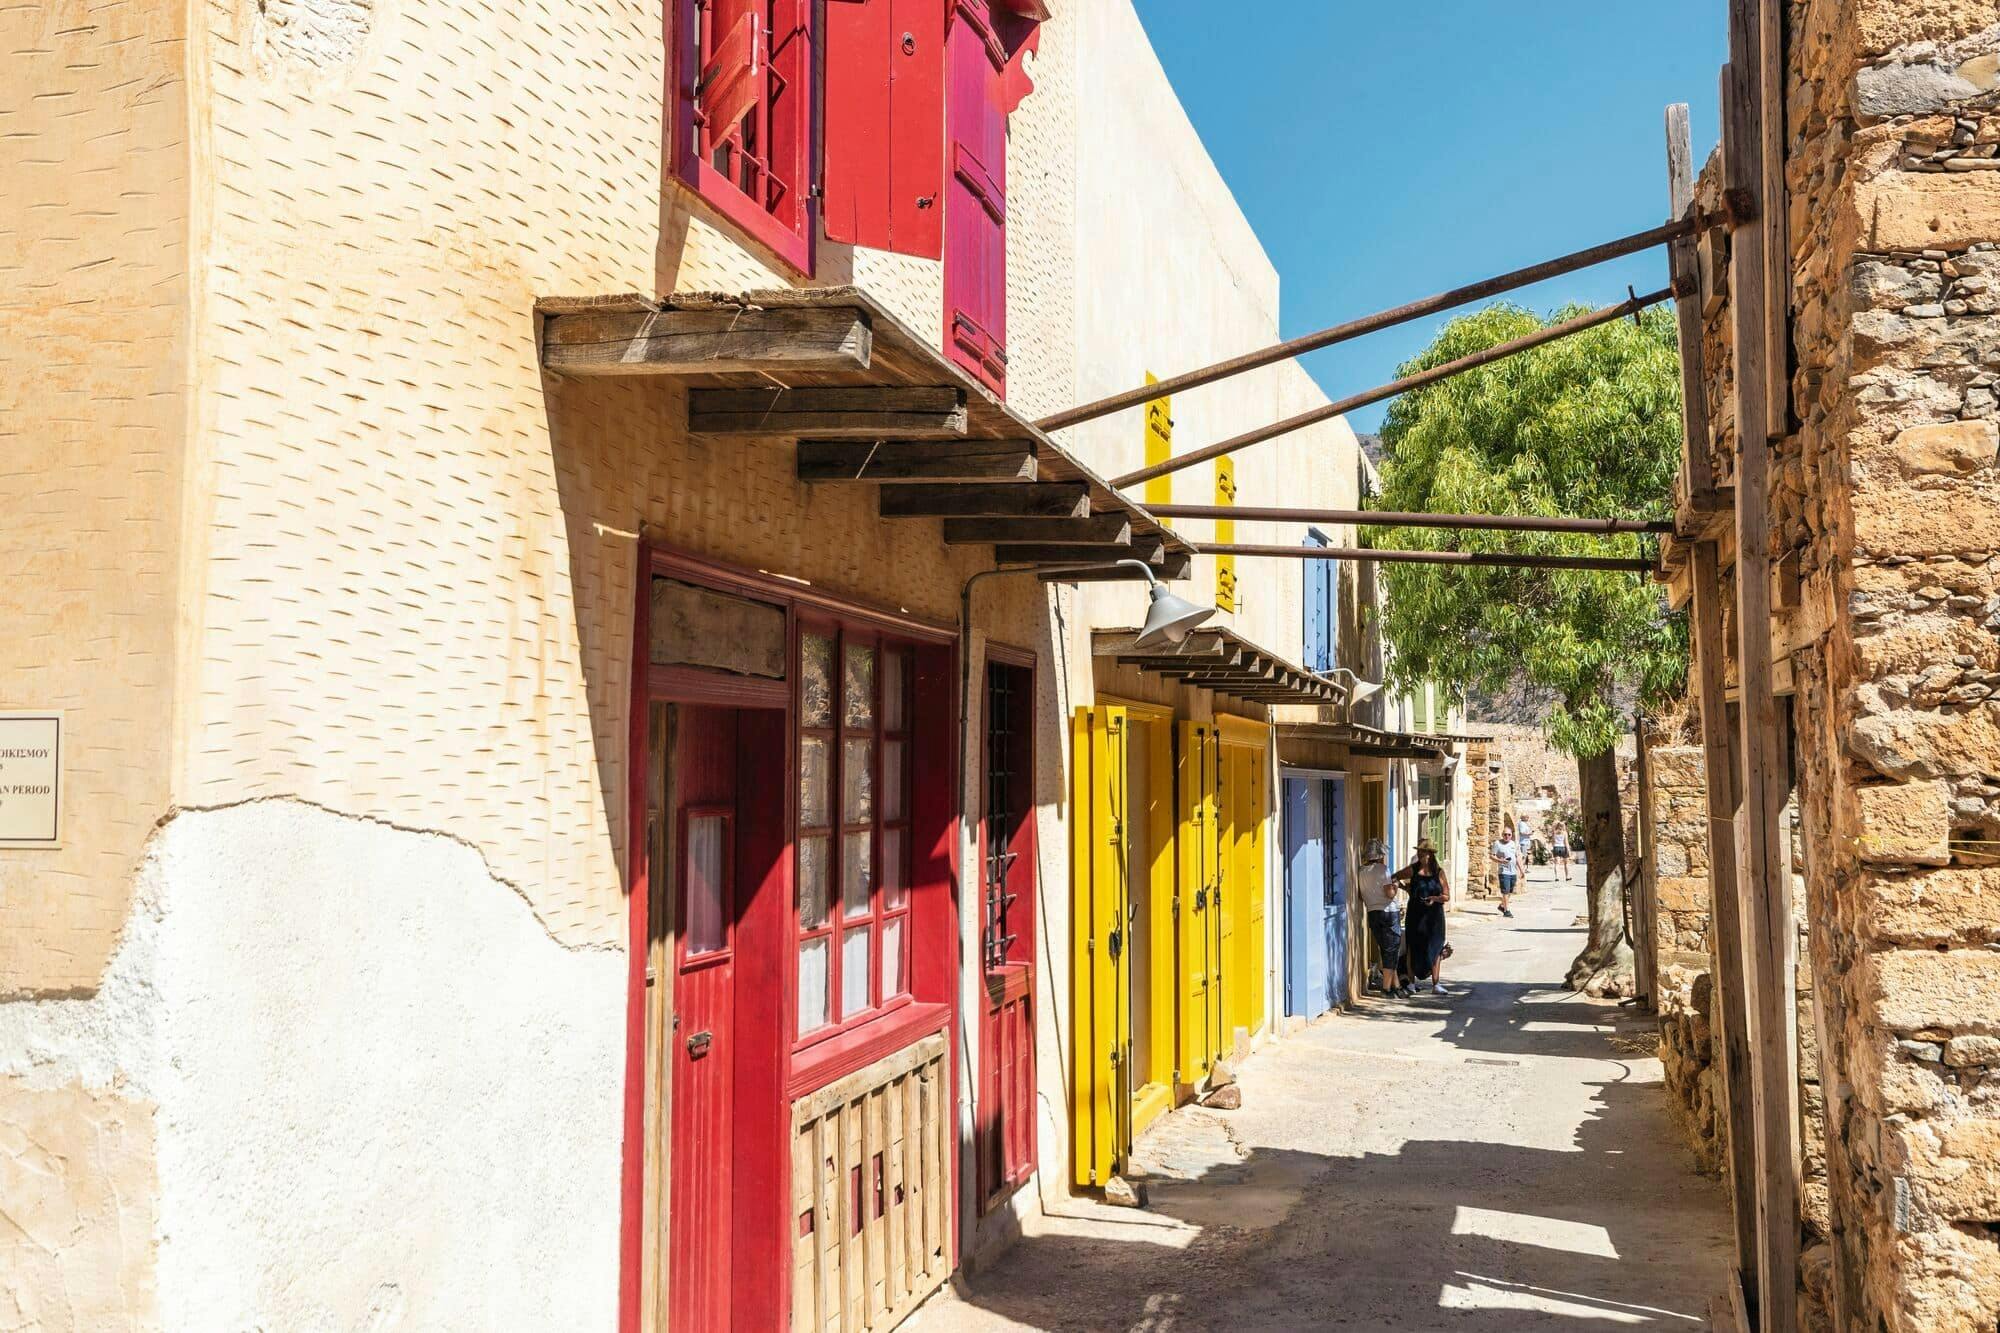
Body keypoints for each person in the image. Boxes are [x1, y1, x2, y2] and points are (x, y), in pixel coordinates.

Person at [1393, 838, 1458, 997]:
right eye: (1419, 852)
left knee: (1435, 947)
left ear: (1430, 854)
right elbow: (1395, 876)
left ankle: (1436, 983)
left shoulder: (1439, 872)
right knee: (1412, 947)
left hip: (1434, 915)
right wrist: (1406, 889)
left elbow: (1446, 895)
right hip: (1415, 913)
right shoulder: (1412, 870)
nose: (1420, 854)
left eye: (1423, 852)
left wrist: (1434, 899)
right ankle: (1412, 984)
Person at [1357, 839, 1410, 998]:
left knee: (1386, 949)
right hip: (1388, 911)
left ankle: (1397, 986)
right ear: (1380, 856)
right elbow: (1390, 893)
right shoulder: (1383, 869)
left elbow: (1361, 895)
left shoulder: (1361, 871)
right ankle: (1387, 988)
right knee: (1392, 950)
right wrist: (1395, 884)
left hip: (1372, 912)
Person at [1490, 826, 1521, 918]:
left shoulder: (1513, 844)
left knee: (1510, 891)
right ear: (1502, 834)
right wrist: (1500, 861)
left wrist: (1522, 871)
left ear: (1511, 835)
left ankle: (1502, 905)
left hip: (1513, 871)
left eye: (1509, 834)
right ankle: (1507, 911)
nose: (1507, 836)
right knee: (1505, 892)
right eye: (1505, 834)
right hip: (1503, 871)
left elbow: (1518, 858)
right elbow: (1492, 856)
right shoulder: (1497, 844)